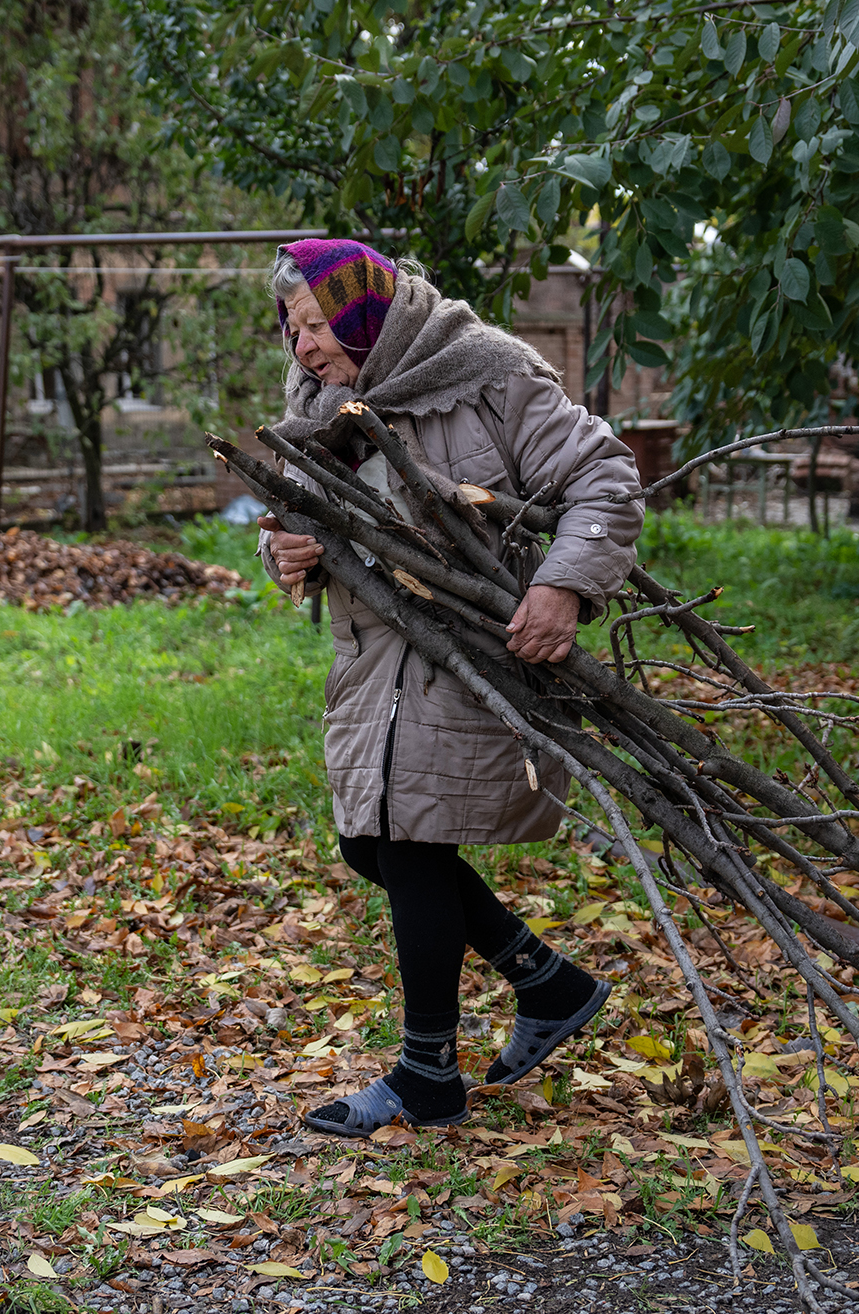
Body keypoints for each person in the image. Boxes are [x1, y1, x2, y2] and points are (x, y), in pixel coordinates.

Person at [255, 238, 644, 1136]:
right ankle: (550, 984)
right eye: (293, 329)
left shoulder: (486, 373)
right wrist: (286, 550)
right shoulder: (321, 405)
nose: (304, 346)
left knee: (412, 848)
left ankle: (426, 1076)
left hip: (472, 652)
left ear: (367, 311)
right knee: (372, 846)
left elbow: (605, 476)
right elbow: (292, 517)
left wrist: (562, 585)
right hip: (373, 663)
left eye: (317, 323)